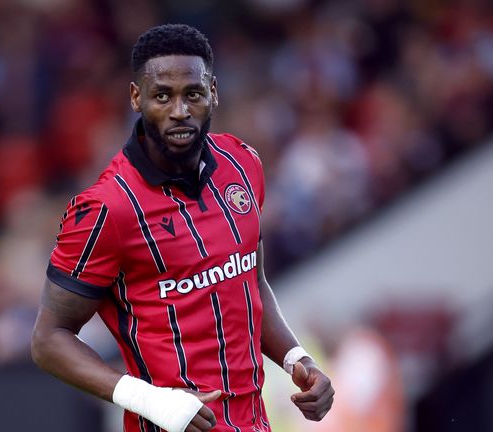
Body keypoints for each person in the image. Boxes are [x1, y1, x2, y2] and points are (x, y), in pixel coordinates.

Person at [31, 23, 334, 432]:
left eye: (192, 93)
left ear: (213, 91)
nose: (179, 110)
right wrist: (151, 400)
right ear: (136, 97)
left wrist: (296, 358)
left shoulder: (243, 165)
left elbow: (249, 280)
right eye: (162, 96)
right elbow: (48, 340)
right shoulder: (107, 208)